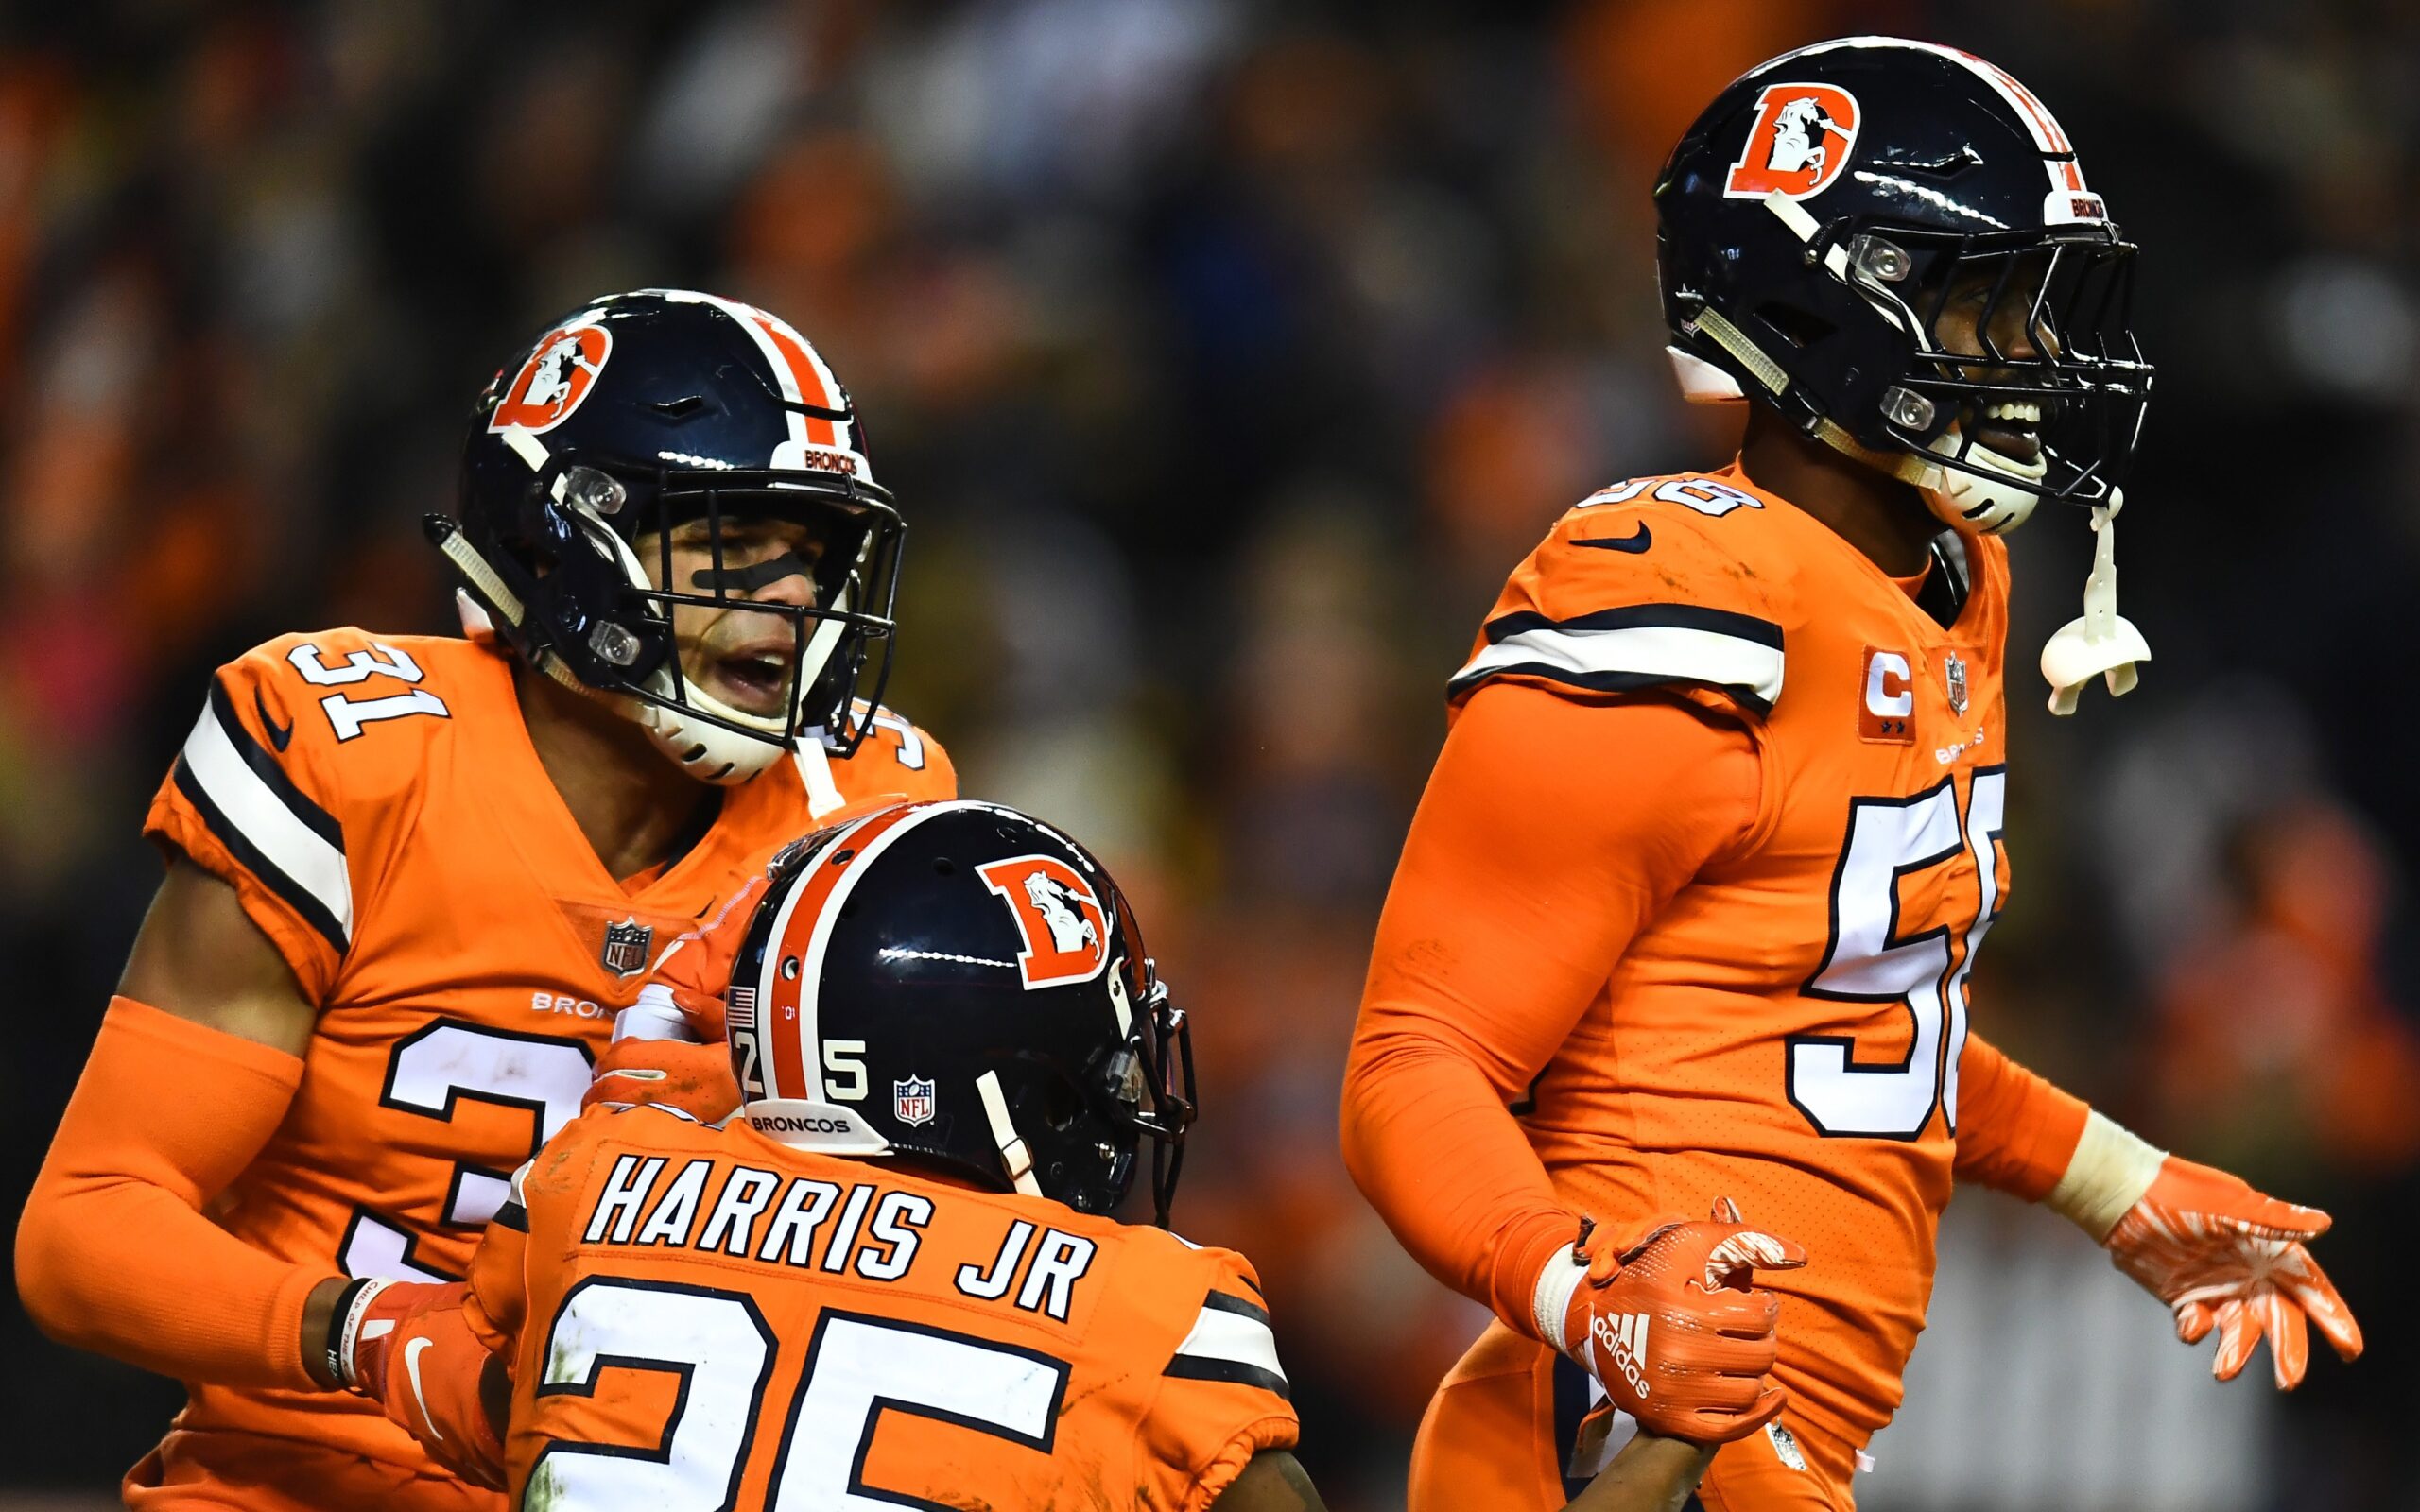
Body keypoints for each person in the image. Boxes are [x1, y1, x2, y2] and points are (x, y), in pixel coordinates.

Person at [1338, 38, 2363, 1512]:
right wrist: (1586, 1296)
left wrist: (2120, 1186)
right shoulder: (1681, 588)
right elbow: (1412, 1063)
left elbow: (1864, 1015)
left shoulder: (1961, 578)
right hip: (1632, 1434)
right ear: (1818, 307)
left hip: (1785, 1443)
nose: (2032, 355)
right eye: (1982, 302)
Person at [14, 289, 957, 1511]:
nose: (790, 599)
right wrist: (376, 1337)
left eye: (818, 554)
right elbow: (87, 1231)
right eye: (730, 543)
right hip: (308, 1478)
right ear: (557, 540)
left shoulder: (866, 805)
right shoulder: (356, 754)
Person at [323, 799, 1804, 1511]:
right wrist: (1664, 1432)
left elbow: (475, 1382)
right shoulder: (1141, 1309)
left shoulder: (600, 1189)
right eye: (1091, 1068)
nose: (1117, 1105)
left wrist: (345, 1324)